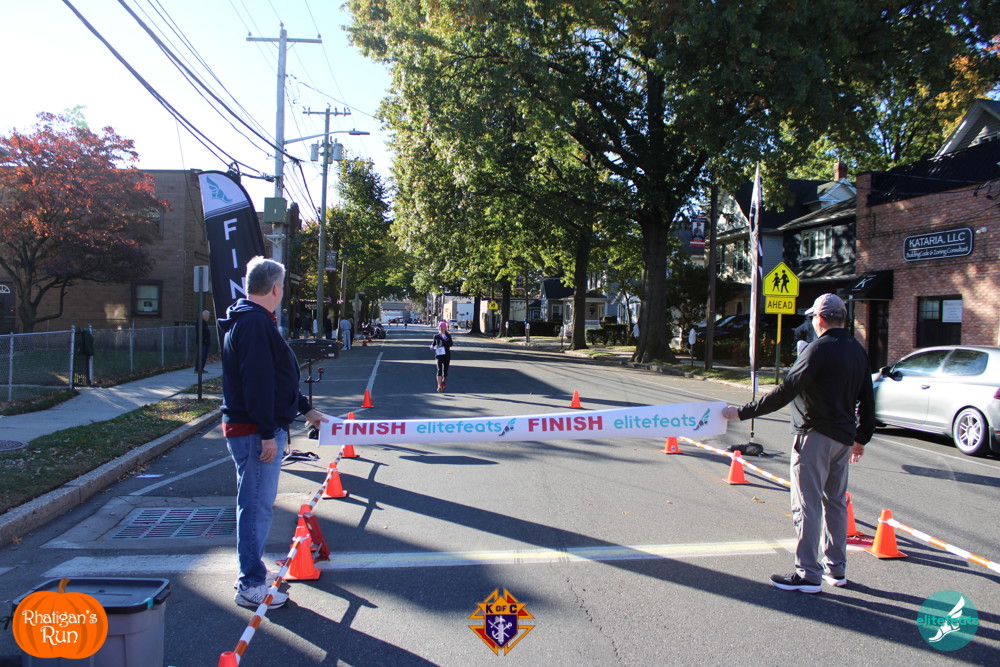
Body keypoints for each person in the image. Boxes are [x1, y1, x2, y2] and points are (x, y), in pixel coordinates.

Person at [721, 293, 874, 594]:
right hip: (843, 438)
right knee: (835, 503)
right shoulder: (857, 349)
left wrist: (741, 413)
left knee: (807, 505)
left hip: (814, 435)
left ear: (820, 319)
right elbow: (867, 397)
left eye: (813, 317)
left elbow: (786, 390)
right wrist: (861, 438)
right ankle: (836, 569)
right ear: (843, 318)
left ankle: (807, 574)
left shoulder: (817, 349)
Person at [219, 256, 327, 609]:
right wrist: (267, 432)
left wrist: (306, 409)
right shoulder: (255, 323)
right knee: (256, 508)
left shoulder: (251, 319)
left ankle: (253, 573)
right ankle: (250, 584)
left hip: (254, 427)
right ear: (276, 288)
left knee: (256, 505)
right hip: (255, 431)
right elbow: (258, 383)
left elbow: (276, 378)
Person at [430, 320, 454, 392]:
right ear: (438, 327)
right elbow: (434, 343)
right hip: (439, 355)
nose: (442, 328)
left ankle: (443, 381)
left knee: (445, 372)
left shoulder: (448, 336)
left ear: (446, 328)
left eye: (443, 326)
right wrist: (432, 346)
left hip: (446, 355)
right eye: (441, 326)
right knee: (439, 370)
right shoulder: (436, 336)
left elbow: (451, 344)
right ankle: (439, 385)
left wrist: (446, 338)